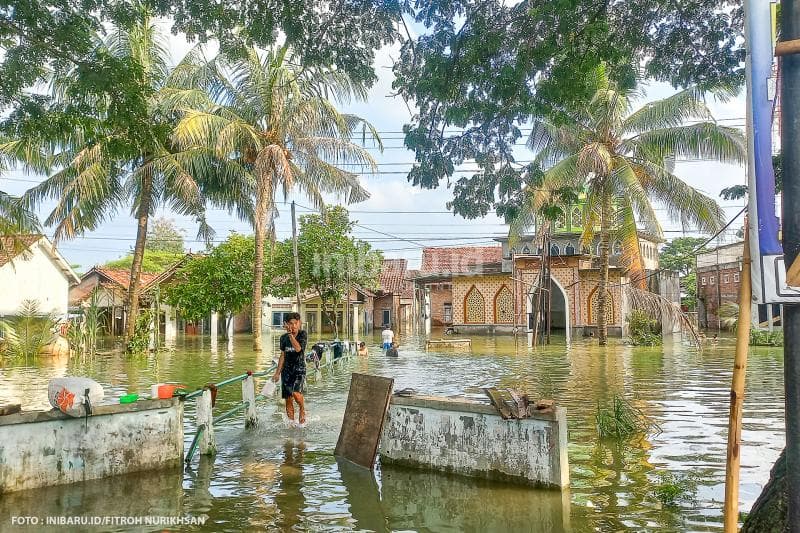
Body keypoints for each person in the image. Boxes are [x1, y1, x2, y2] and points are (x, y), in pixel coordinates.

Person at [272, 312, 308, 425]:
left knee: (296, 394)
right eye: (290, 324)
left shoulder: (303, 334)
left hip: (299, 369)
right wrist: (277, 373)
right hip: (286, 370)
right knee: (288, 398)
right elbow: (282, 355)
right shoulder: (283, 338)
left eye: (295, 323)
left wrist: (290, 335)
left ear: (299, 323)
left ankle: (302, 407)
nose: (293, 326)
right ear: (286, 324)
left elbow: (298, 349)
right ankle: (292, 424)